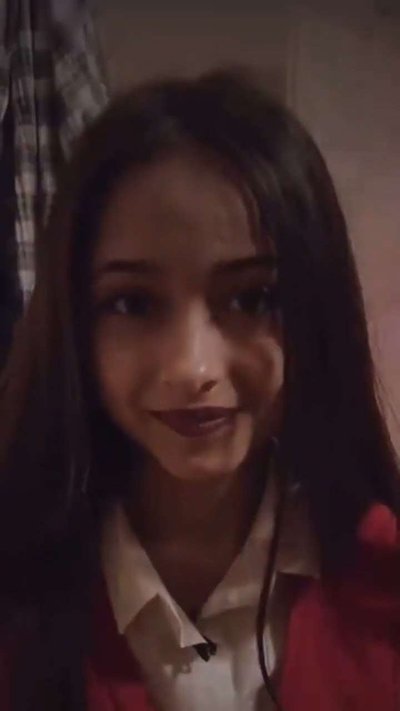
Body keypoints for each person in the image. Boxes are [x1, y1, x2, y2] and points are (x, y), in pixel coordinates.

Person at [0, 68, 399, 711]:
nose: (192, 367)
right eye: (133, 303)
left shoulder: (383, 581)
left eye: (253, 298)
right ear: (74, 323)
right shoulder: (16, 589)